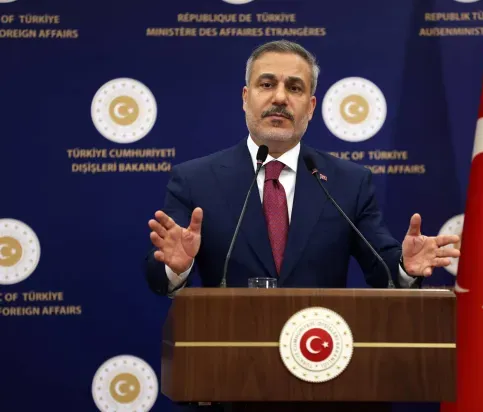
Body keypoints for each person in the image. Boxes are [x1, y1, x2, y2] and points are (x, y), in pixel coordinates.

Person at [144, 39, 460, 411]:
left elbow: (383, 268)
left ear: (310, 106)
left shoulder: (348, 181)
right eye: (267, 84)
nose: (280, 97)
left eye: (294, 88)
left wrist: (406, 267)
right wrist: (176, 267)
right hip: (231, 385)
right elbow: (158, 274)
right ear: (246, 97)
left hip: (326, 386)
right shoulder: (195, 179)